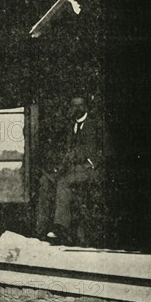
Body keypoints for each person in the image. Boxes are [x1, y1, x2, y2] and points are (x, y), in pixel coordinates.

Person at [38, 97, 106, 245]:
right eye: (72, 106)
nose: (74, 109)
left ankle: (60, 227)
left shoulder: (96, 125)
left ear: (84, 107)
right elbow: (68, 152)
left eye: (77, 106)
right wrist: (58, 168)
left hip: (89, 170)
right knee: (45, 181)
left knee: (63, 182)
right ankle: (41, 229)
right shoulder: (71, 126)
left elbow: (105, 148)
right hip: (73, 169)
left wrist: (93, 163)